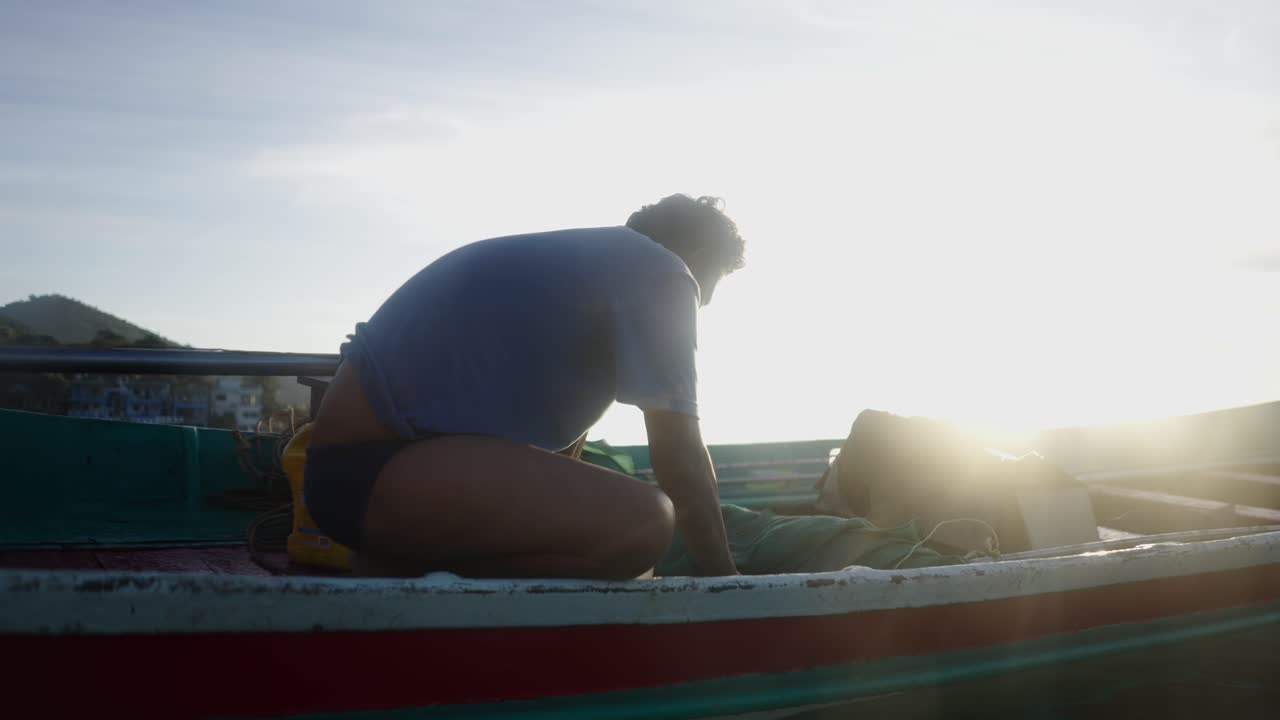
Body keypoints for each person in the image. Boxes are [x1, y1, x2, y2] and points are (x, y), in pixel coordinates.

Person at [304, 194, 746, 579]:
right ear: (700, 253)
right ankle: (401, 569)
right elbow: (679, 455)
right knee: (645, 523)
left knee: (624, 541)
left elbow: (554, 460)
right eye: (712, 284)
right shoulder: (662, 271)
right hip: (366, 474)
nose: (704, 301)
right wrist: (727, 577)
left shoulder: (592, 269)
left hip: (357, 478)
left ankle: (405, 563)